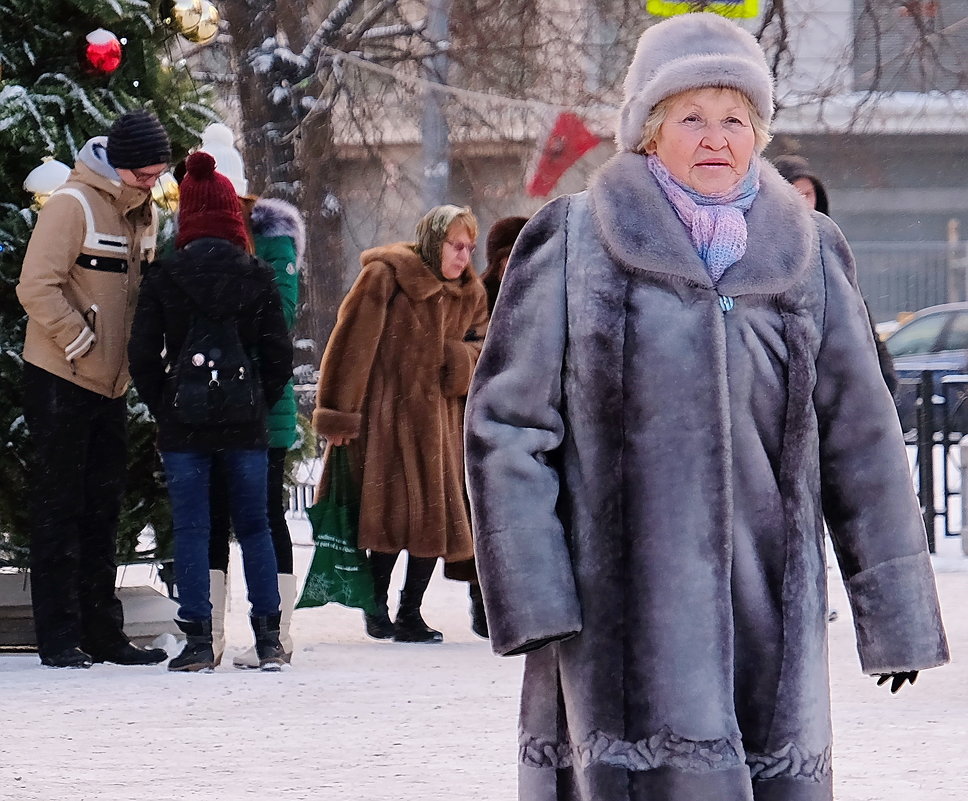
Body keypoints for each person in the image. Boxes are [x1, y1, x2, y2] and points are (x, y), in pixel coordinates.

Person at [464, 13, 948, 801]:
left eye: (735, 119)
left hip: (771, 625)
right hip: (617, 634)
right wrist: (536, 594)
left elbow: (862, 443)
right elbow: (507, 429)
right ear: (650, 132)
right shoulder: (575, 240)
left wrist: (894, 614)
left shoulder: (810, 250)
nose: (716, 137)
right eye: (691, 117)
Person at [17, 109, 172, 669]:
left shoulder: (143, 213)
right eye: (145, 174)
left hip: (110, 385)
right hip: (61, 377)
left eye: (158, 174)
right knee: (60, 508)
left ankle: (103, 632)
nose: (152, 183)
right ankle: (57, 637)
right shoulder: (71, 204)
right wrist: (79, 341)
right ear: (121, 166)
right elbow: (35, 284)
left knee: (104, 508)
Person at [128, 151, 293, 672]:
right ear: (231, 214)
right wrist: (255, 403)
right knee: (256, 527)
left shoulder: (165, 275)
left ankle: (199, 639)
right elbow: (279, 355)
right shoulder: (258, 274)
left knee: (194, 527)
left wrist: (167, 403)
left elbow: (140, 353)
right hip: (246, 424)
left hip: (185, 424)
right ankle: (269, 637)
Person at [312, 204, 489, 644]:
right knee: (386, 517)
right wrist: (340, 413)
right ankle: (376, 607)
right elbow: (349, 344)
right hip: (386, 418)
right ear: (433, 241)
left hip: (440, 424)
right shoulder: (385, 278)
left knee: (437, 521)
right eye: (455, 245)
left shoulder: (470, 292)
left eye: (469, 247)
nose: (463, 256)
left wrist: (459, 360)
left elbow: (484, 344)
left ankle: (411, 612)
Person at [197, 123, 306, 668]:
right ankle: (210, 633)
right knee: (214, 515)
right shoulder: (186, 240)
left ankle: (277, 634)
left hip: (264, 404)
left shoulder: (274, 240)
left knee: (263, 514)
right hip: (209, 401)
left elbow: (280, 320)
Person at [446, 214, 530, 640]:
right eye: (506, 255)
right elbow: (463, 349)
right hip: (481, 414)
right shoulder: (478, 296)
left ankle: (515, 599)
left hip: (531, 415)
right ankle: (483, 599)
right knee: (485, 513)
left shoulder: (542, 293)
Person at [773, 154, 898, 395]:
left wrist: (883, 376)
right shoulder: (757, 250)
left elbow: (855, 312)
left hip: (830, 380)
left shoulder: (829, 249)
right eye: (793, 192)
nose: (803, 202)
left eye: (808, 194)